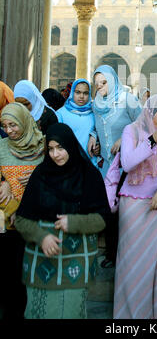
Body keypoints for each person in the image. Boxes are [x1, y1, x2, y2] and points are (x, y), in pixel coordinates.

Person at [15, 123, 111, 319]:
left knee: (70, 311)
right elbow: (22, 219)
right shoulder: (40, 175)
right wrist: (41, 237)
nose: (55, 154)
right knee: (39, 311)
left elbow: (103, 219)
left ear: (70, 146)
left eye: (60, 148)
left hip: (76, 262)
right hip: (42, 259)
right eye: (50, 149)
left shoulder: (89, 176)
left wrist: (75, 222)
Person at [113, 94, 157, 319]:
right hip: (132, 207)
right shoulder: (131, 131)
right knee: (132, 265)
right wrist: (152, 140)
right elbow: (128, 163)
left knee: (155, 266)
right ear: (149, 111)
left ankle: (154, 315)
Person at [88, 65, 142, 267]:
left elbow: (143, 123)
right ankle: (112, 254)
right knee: (109, 211)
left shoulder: (127, 99)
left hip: (126, 166)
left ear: (112, 81)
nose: (100, 87)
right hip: (106, 166)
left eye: (104, 83)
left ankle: (127, 255)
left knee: (126, 212)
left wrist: (124, 138)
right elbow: (96, 124)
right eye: (97, 84)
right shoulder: (96, 103)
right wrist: (94, 137)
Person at [0, 102, 45, 319]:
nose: (9, 131)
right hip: (9, 223)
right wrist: (3, 182)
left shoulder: (43, 145)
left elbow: (56, 176)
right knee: (12, 274)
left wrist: (37, 179)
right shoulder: (1, 147)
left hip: (38, 219)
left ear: (24, 122)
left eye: (13, 125)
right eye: (5, 126)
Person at [56, 79, 98, 166]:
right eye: (78, 92)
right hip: (69, 164)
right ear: (72, 93)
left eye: (85, 93)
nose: (81, 96)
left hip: (91, 164)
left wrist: (97, 142)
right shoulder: (61, 114)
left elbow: (100, 131)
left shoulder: (95, 113)